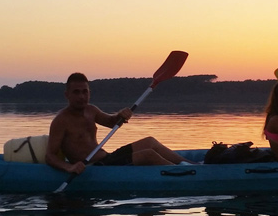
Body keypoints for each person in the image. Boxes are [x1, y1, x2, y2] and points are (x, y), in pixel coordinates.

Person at [45, 72, 190, 175]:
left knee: (150, 142)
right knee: (148, 155)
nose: (82, 96)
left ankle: (191, 165)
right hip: (94, 167)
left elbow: (111, 122)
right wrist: (69, 168)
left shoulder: (91, 110)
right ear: (67, 95)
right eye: (76, 92)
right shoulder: (61, 120)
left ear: (89, 92)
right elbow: (50, 156)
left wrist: (120, 115)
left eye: (85, 92)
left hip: (108, 159)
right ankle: (186, 175)